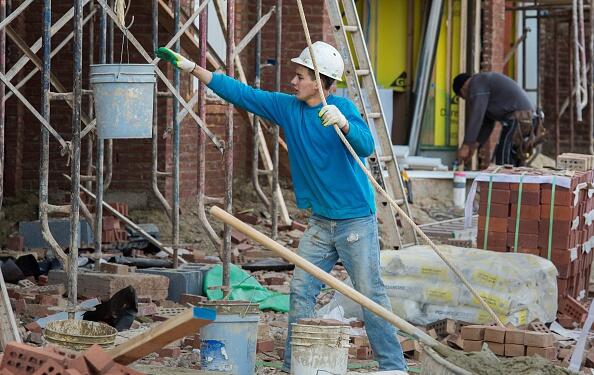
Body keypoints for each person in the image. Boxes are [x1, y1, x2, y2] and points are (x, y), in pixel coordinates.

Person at [156, 42, 407, 372]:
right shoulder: (288, 108)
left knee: (369, 295)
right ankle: (294, 365)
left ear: (320, 81)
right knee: (301, 290)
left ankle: (393, 367)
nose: (293, 81)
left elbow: (366, 145)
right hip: (320, 222)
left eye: (300, 76)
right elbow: (242, 93)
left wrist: (344, 123)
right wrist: (193, 69)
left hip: (355, 220)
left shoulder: (343, 108)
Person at [453, 72, 542, 167]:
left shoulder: (476, 83)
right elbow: (488, 123)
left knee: (504, 159)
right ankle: (516, 180)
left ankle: (506, 181)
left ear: (462, 90)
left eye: (464, 98)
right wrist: (474, 146)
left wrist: (466, 146)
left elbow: (477, 115)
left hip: (519, 118)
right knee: (513, 158)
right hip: (528, 117)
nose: (469, 100)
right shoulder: (484, 85)